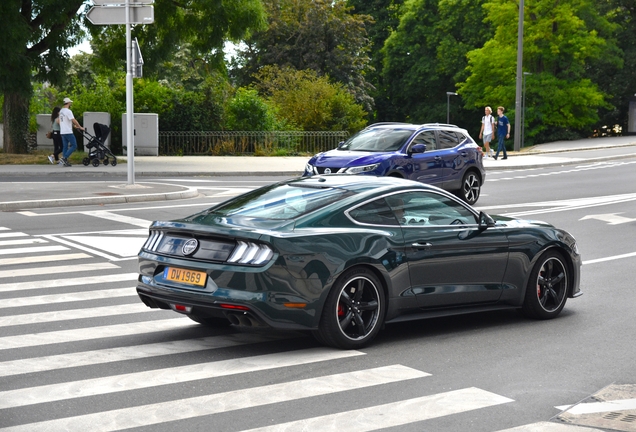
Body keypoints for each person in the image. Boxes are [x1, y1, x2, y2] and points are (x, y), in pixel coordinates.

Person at [58, 97, 85, 167]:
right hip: (68, 131)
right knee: (74, 145)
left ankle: (65, 161)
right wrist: (80, 127)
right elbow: (73, 120)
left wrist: (72, 125)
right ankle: (64, 158)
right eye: (70, 103)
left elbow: (62, 121)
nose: (71, 104)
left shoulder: (61, 111)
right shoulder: (68, 111)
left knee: (65, 147)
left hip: (62, 131)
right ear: (69, 103)